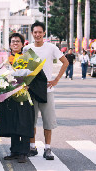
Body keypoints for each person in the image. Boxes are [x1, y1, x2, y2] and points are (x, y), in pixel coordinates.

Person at [0, 33, 47, 163]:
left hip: (24, 96)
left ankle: (24, 152)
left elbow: (39, 77)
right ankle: (14, 151)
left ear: (22, 43)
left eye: (18, 41)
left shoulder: (29, 59)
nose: (15, 43)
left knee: (24, 124)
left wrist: (29, 86)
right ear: (9, 44)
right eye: (13, 41)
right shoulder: (5, 60)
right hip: (10, 97)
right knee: (12, 123)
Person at [23, 21, 69, 160]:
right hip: (31, 91)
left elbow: (65, 62)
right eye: (35, 32)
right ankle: (32, 147)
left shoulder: (51, 48)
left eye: (40, 32)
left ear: (44, 33)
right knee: (31, 121)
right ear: (32, 34)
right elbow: (24, 69)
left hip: (47, 90)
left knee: (47, 121)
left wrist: (56, 80)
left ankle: (48, 148)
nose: (37, 35)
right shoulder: (27, 49)